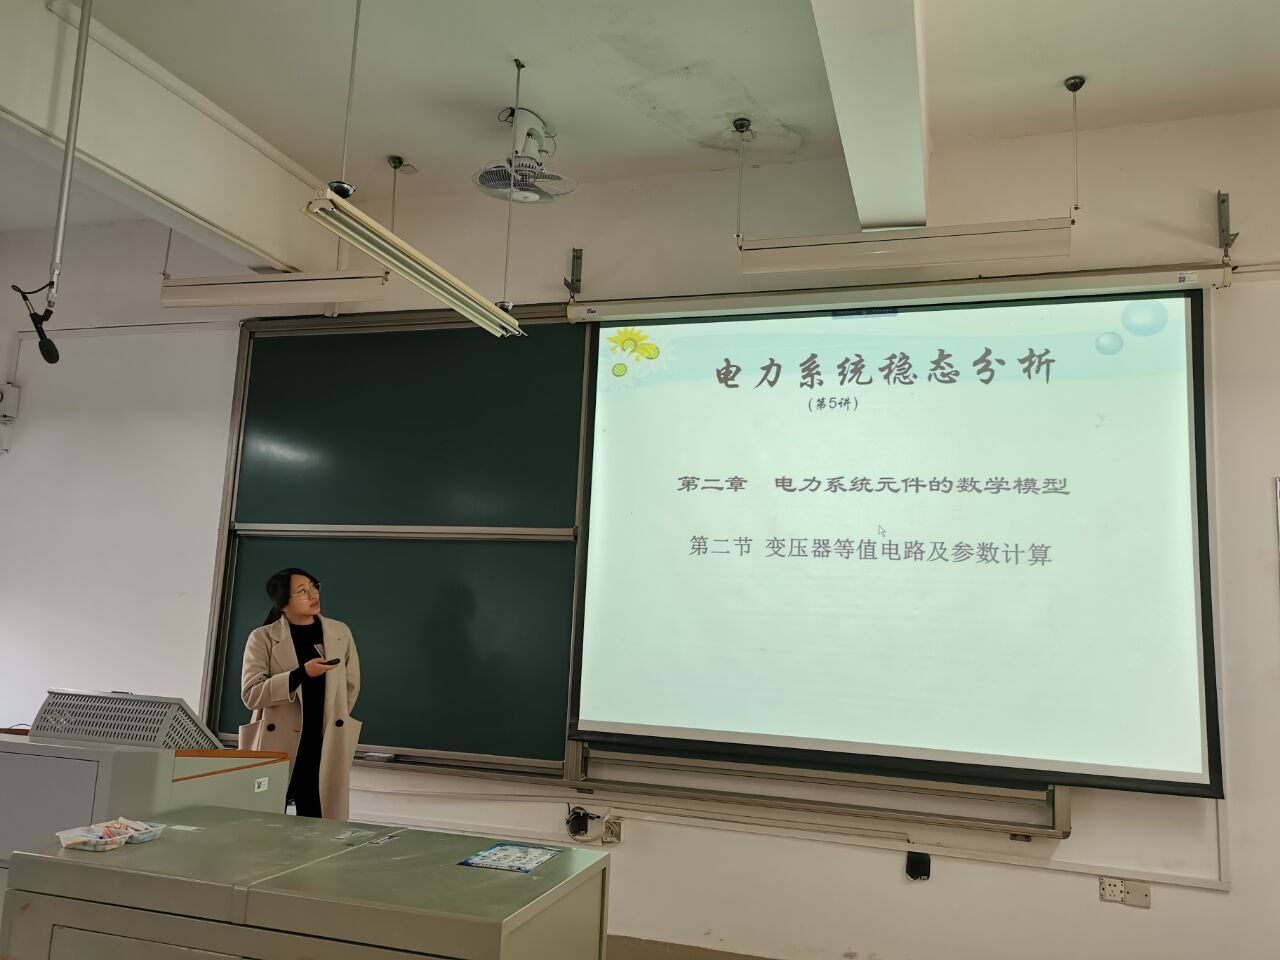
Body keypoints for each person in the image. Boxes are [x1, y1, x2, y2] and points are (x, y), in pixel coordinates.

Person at [239, 568, 361, 820]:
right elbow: (251, 694)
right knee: (265, 825)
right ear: (283, 603)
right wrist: (300, 674)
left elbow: (350, 686)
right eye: (302, 591)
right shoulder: (262, 637)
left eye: (314, 586)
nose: (313, 594)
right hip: (278, 743)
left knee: (321, 826)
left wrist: (333, 718)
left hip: (326, 742)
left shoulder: (340, 632)